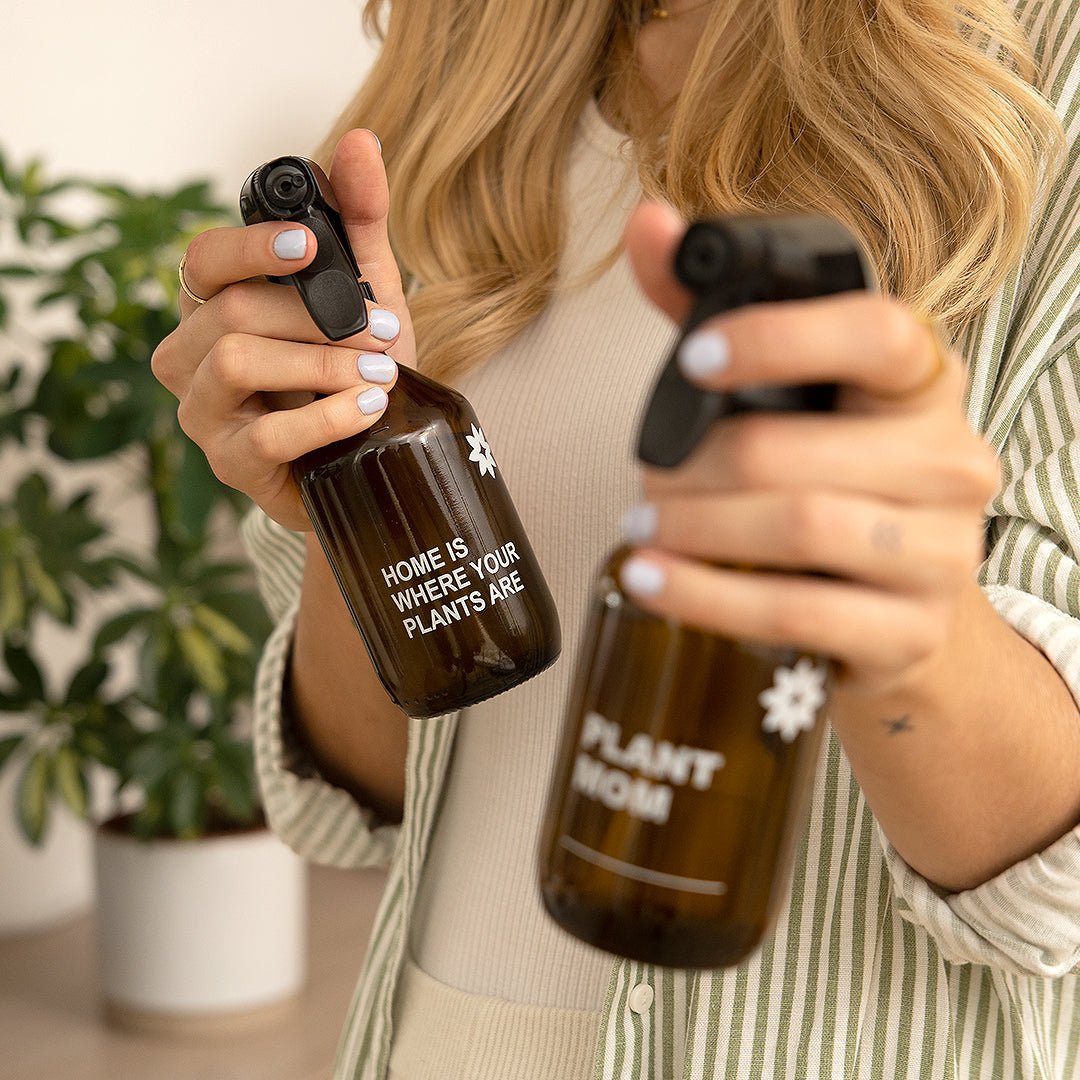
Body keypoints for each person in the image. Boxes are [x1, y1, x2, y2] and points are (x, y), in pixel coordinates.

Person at [152, 0, 1080, 1075]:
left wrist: (899, 622)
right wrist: (344, 490)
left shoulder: (1032, 79)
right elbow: (369, 795)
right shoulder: (462, 63)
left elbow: (1055, 890)